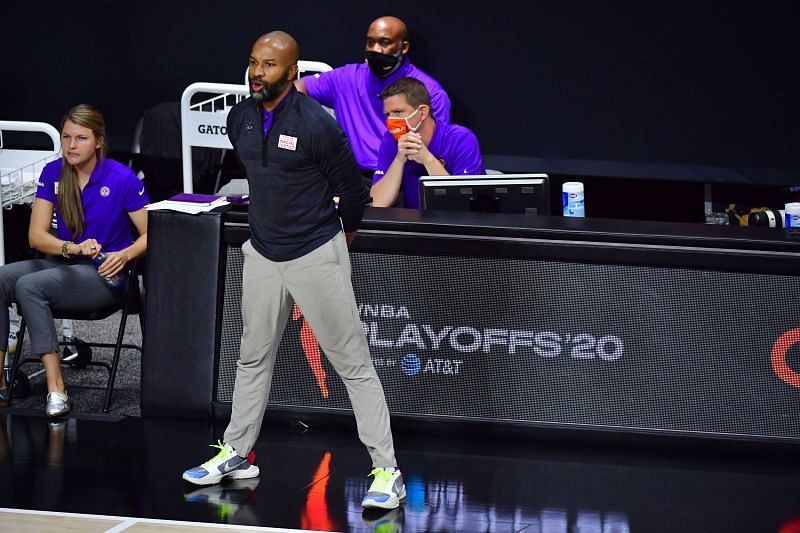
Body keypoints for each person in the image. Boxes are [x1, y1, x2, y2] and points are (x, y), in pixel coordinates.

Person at [182, 31, 405, 511]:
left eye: (269, 64)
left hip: (314, 253)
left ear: (292, 72)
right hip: (263, 254)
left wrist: (335, 246)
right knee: (252, 357)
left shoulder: (316, 125)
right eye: (252, 62)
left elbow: (355, 193)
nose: (257, 72)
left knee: (352, 364)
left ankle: (388, 471)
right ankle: (237, 453)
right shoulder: (238, 119)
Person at [0, 104, 149, 416]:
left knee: (29, 286)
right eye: (66, 137)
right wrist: (72, 247)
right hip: (64, 265)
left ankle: (57, 389)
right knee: (2, 278)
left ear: (98, 141)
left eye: (80, 138)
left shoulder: (122, 178)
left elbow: (153, 234)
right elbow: (36, 237)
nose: (71, 145)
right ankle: (1, 381)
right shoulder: (53, 173)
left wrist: (124, 254)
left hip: (106, 275)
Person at [296, 16, 451, 182]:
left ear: (403, 47)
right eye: (370, 42)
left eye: (385, 42)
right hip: (351, 177)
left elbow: (437, 151)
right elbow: (298, 88)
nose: (376, 49)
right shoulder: (347, 78)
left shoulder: (430, 92)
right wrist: (308, 122)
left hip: (403, 178)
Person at [371, 77, 485, 208]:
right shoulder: (390, 139)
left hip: (457, 223)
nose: (391, 120)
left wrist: (427, 160)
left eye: (398, 112)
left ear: (422, 112)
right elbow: (377, 202)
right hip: (415, 223)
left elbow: (462, 203)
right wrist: (399, 159)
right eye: (387, 114)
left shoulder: (461, 139)